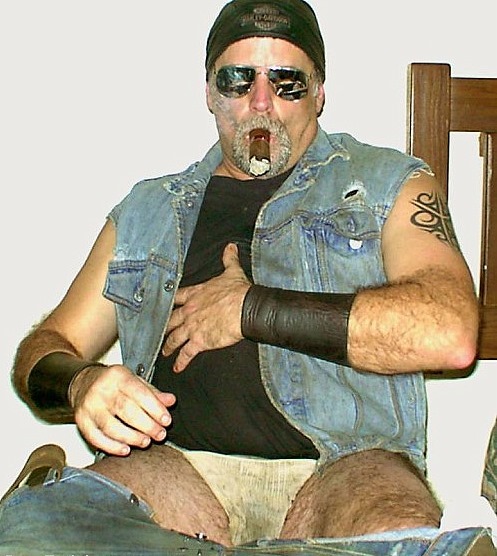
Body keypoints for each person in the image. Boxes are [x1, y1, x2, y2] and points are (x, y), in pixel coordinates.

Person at [1, 0, 492, 554]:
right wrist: (82, 383)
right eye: (238, 80)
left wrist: (249, 309)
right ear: (209, 92)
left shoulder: (387, 183)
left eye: (287, 82)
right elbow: (44, 348)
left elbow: (449, 332)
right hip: (176, 466)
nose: (261, 101)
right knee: (35, 537)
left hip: (346, 467)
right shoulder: (146, 209)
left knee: (396, 531)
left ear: (318, 93)